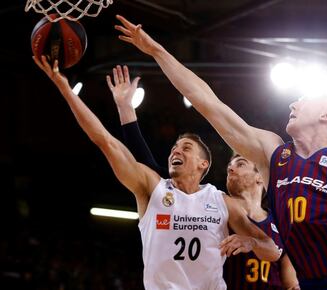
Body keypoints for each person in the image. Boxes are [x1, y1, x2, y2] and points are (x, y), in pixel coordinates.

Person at [114, 14, 327, 289]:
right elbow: (208, 103)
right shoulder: (273, 154)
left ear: (326, 114)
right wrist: (156, 50)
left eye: (302, 101)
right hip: (313, 283)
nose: (292, 105)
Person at [32, 55, 282, 290]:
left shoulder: (222, 202)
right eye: (174, 148)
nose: (176, 151)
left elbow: (273, 250)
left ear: (203, 164)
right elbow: (105, 141)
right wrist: (66, 90)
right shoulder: (152, 188)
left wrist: (251, 242)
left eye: (186, 148)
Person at [106, 64, 300, 290]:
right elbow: (146, 168)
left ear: (261, 176)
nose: (231, 169)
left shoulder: (277, 219)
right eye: (229, 165)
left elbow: (288, 269)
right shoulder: (216, 203)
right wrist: (126, 110)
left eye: (240, 162)